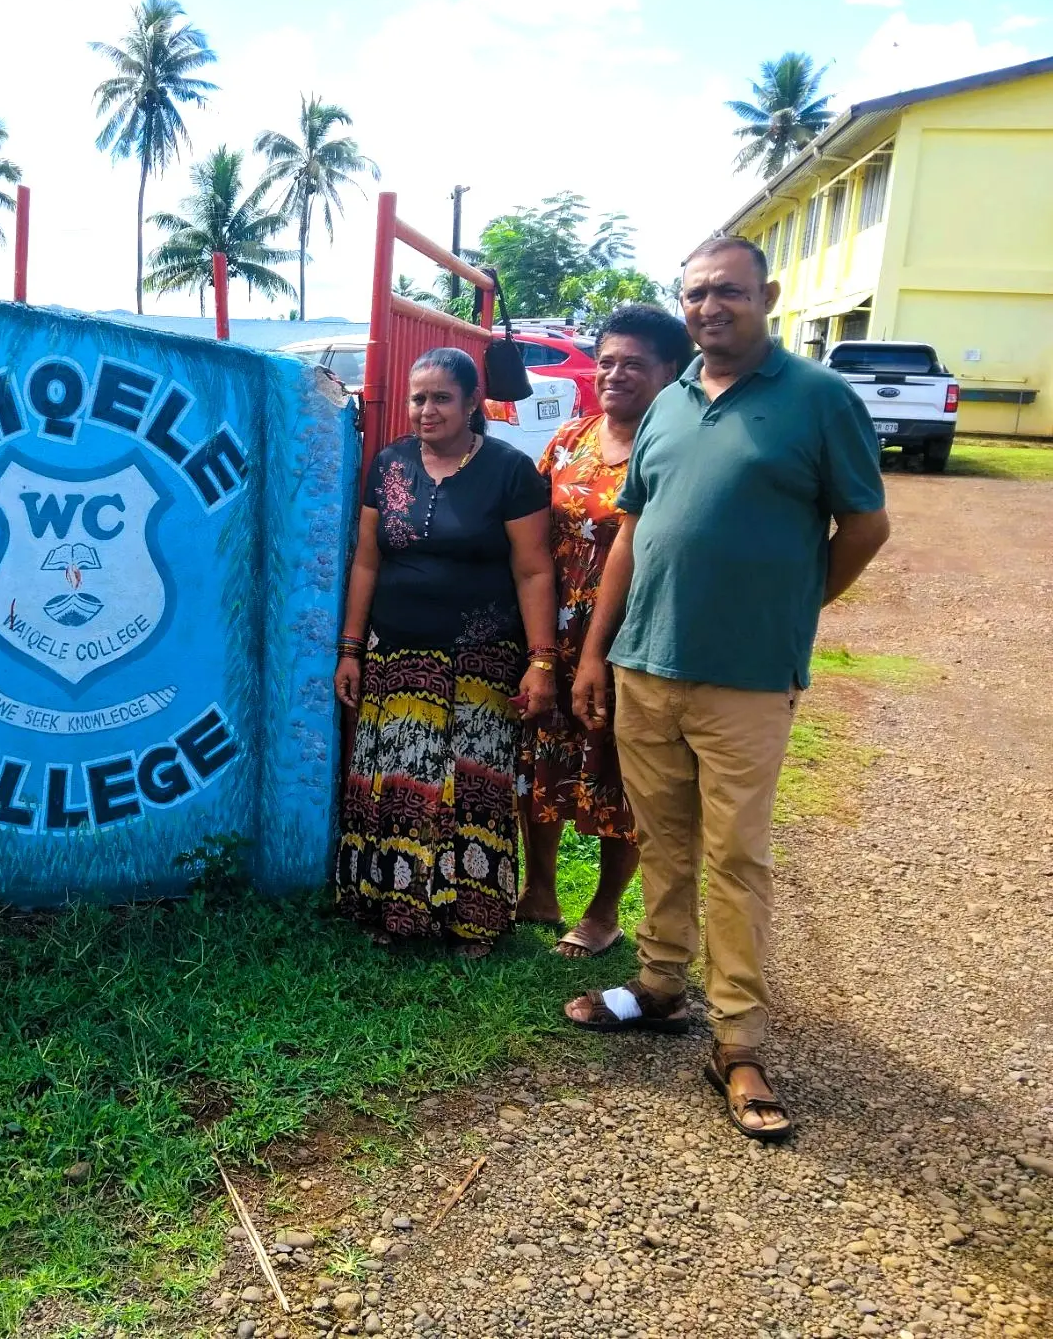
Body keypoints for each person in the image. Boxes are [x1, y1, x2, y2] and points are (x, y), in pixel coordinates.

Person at [564, 237, 891, 1142]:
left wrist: (795, 600)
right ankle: (661, 986)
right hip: (645, 665)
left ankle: (738, 1040)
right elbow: (630, 534)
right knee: (662, 840)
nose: (712, 307)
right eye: (697, 294)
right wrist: (596, 653)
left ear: (769, 296)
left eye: (730, 293)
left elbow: (865, 526)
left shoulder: (819, 401)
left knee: (735, 856)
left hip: (747, 681)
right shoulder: (668, 403)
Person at [332, 347, 558, 959]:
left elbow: (534, 570)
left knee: (472, 788)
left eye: (440, 398)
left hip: (479, 659)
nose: (425, 410)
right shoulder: (388, 465)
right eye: (417, 397)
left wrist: (542, 660)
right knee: (398, 785)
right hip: (397, 658)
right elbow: (369, 561)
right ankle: (395, 911)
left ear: (471, 404)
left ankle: (472, 920)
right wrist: (350, 649)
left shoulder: (510, 472)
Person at [515, 305, 693, 958]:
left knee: (627, 774)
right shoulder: (570, 440)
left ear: (669, 371)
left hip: (637, 640)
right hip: (554, 636)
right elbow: (530, 534)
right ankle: (538, 890)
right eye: (609, 361)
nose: (616, 374)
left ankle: (603, 912)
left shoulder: (679, 447)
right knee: (543, 759)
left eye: (635, 364)